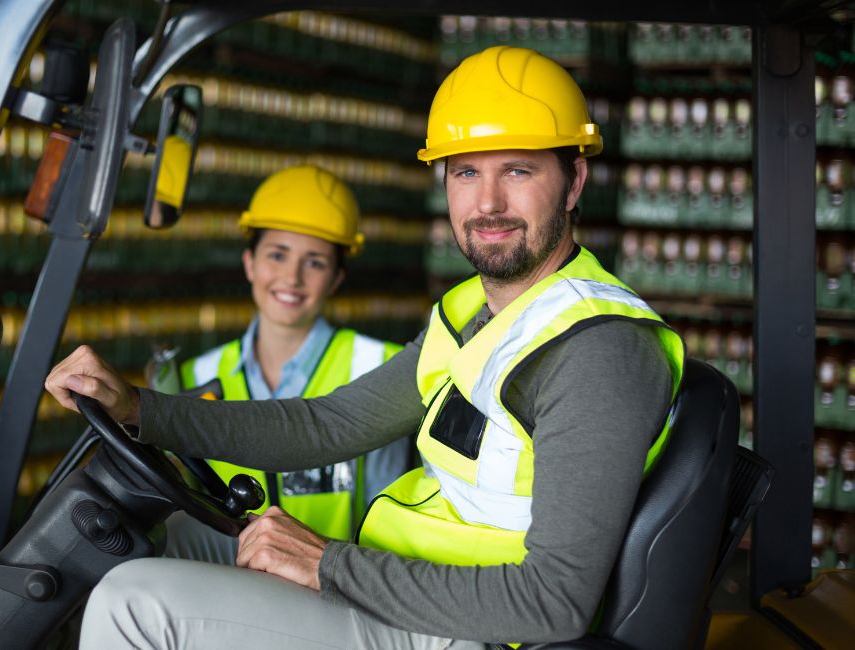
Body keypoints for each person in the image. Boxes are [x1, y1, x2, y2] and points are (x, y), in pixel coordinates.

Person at [46, 46, 684, 648]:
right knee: (163, 539)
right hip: (408, 587)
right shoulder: (474, 313)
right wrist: (140, 409)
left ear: (573, 182)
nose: (489, 202)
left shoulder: (598, 351)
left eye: (518, 170)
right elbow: (326, 425)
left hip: (471, 631)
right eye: (466, 172)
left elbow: (553, 602)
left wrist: (328, 564)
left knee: (131, 601)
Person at [148, 164, 409, 558]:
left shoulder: (379, 368)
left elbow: (389, 520)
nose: (292, 277)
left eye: (315, 262)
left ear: (336, 279)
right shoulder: (196, 378)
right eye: (277, 255)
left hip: (333, 584)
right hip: (223, 584)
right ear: (249, 262)